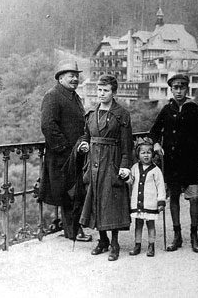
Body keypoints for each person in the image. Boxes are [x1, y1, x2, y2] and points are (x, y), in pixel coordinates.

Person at [149, 74, 198, 253]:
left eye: (182, 87)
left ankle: (194, 235)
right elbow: (154, 132)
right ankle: (177, 235)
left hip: (191, 162)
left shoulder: (194, 109)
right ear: (171, 89)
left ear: (187, 89)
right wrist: (157, 143)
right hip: (173, 163)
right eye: (175, 88)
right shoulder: (167, 109)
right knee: (174, 197)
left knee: (194, 198)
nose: (179, 91)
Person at [77, 74, 133, 261]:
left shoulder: (122, 114)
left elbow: (127, 144)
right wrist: (84, 144)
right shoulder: (91, 113)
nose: (101, 94)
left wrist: (125, 166)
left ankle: (114, 243)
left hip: (112, 161)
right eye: (99, 90)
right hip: (93, 163)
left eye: (106, 90)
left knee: (112, 201)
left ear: (113, 92)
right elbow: (85, 135)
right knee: (95, 200)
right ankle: (102, 240)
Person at [40, 60, 91, 242]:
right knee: (69, 193)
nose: (75, 79)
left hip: (76, 154)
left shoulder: (74, 96)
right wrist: (65, 149)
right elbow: (48, 125)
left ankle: (74, 228)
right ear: (61, 77)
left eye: (76, 76)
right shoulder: (52, 96)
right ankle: (73, 231)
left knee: (76, 192)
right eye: (71, 75)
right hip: (61, 156)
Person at [128, 137, 166, 257]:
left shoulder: (156, 170)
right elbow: (131, 181)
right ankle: (137, 244)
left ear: (152, 154)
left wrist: (161, 202)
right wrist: (126, 177)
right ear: (138, 154)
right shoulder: (134, 168)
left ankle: (151, 245)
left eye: (148, 152)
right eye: (143, 153)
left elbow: (160, 187)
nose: (146, 155)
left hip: (150, 203)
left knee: (150, 224)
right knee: (138, 224)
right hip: (138, 203)